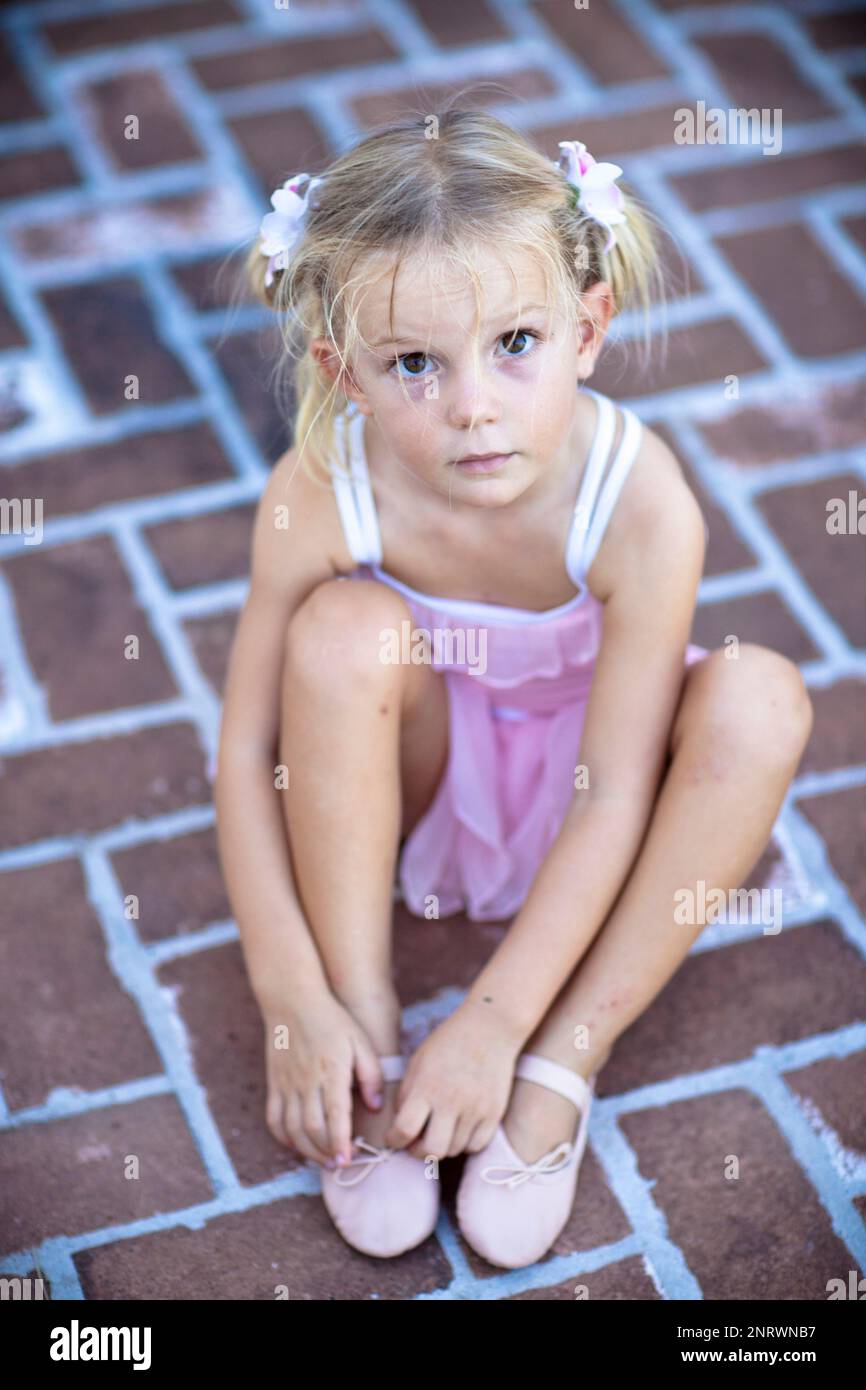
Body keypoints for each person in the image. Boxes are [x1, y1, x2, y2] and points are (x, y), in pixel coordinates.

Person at [214, 108, 813, 1268]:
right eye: (413, 364)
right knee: (340, 631)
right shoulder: (320, 486)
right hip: (422, 782)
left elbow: (611, 791)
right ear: (341, 371)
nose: (471, 405)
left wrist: (494, 1026)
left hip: (605, 789)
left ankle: (559, 1066)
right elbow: (246, 755)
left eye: (514, 343)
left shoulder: (638, 503)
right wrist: (288, 992)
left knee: (760, 697)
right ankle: (368, 1042)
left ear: (588, 328)